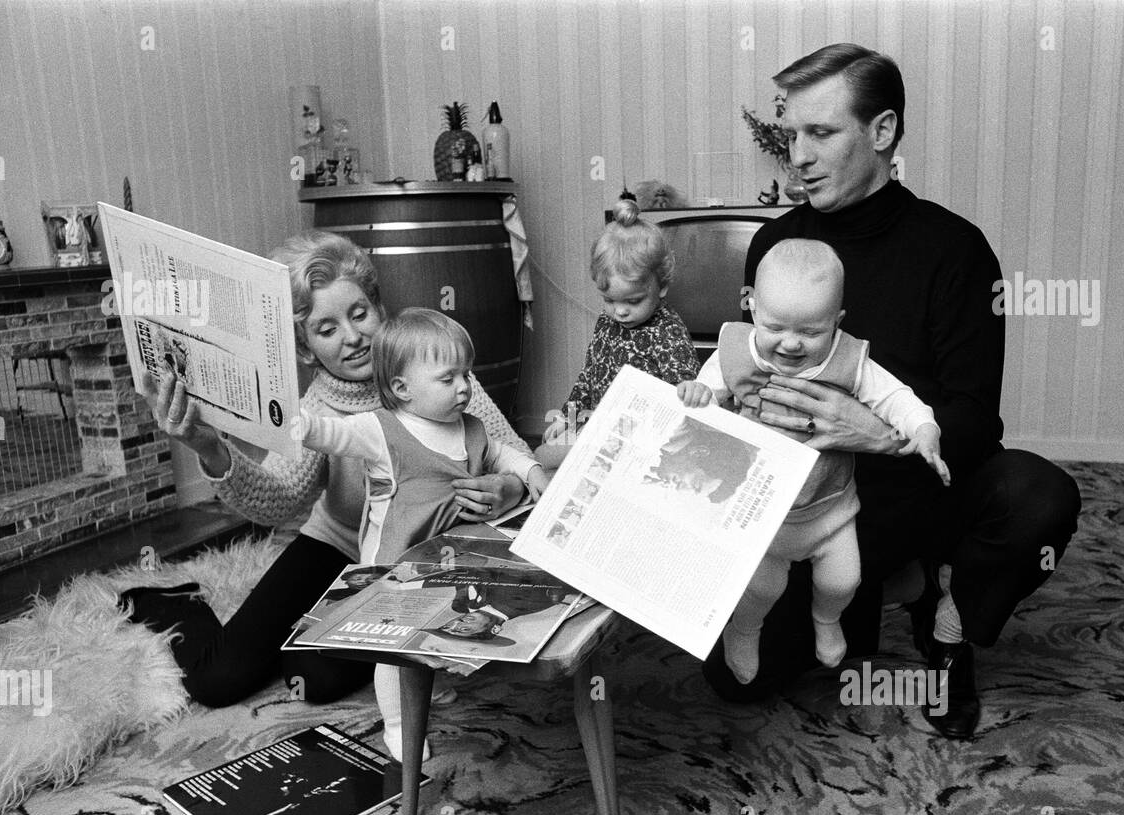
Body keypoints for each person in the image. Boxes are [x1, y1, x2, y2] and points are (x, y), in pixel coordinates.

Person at [702, 43, 1081, 740]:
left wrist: (876, 433)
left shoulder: (955, 250)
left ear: (882, 133)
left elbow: (973, 424)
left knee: (1037, 496)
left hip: (916, 492)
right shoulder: (775, 248)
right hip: (807, 507)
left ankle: (947, 622)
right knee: (734, 684)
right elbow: (740, 383)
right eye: (792, 135)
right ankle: (881, 589)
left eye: (821, 133)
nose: (799, 156)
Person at [119, 232, 528, 758]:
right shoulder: (318, 408)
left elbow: (513, 453)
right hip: (334, 546)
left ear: (380, 307)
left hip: (419, 558)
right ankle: (178, 600)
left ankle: (320, 635)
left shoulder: (432, 371)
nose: (352, 337)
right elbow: (278, 502)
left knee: (313, 679)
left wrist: (507, 485)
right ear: (305, 345)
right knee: (217, 680)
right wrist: (210, 448)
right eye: (326, 328)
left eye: (360, 313)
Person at [678, 238, 948, 684]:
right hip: (761, 513)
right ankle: (743, 632)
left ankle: (826, 620)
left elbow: (896, 397)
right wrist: (698, 392)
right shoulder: (736, 352)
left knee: (843, 581)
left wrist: (923, 428)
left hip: (830, 508)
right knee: (761, 588)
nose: (790, 344)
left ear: (837, 323)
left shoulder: (848, 360)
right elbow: (709, 392)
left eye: (810, 333)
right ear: (750, 306)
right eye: (776, 326)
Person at [296, 307, 549, 758]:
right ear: (401, 388)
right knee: (393, 648)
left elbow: (502, 454)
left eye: (466, 375)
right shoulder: (381, 430)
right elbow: (331, 435)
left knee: (446, 620)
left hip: (450, 556)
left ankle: (430, 681)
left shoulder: (470, 427)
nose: (465, 387)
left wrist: (531, 471)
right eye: (448, 378)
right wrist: (296, 424)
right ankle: (397, 723)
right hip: (395, 562)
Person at [542, 199, 700, 450]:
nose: (620, 311)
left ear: (662, 286)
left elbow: (681, 388)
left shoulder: (667, 330)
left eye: (634, 301)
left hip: (644, 439)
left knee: (555, 457)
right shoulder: (607, 322)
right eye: (609, 300)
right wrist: (567, 418)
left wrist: (689, 391)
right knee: (546, 452)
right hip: (600, 428)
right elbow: (588, 376)